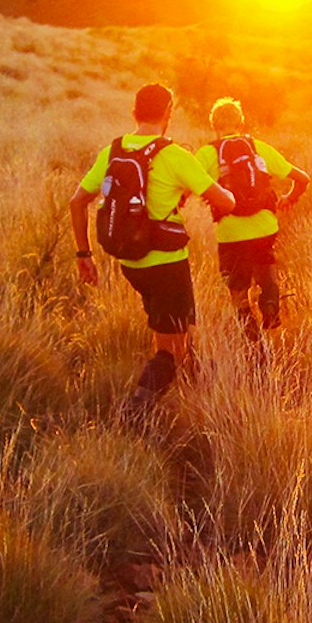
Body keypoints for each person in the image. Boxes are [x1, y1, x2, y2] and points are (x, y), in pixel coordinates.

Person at [70, 82, 234, 420]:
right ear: (168, 114)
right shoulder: (174, 155)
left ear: (134, 112)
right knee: (170, 353)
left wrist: (83, 255)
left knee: (171, 330)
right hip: (167, 266)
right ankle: (134, 414)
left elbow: (77, 202)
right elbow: (225, 201)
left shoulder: (113, 150)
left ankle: (188, 389)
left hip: (131, 264)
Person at [195, 97, 309, 353]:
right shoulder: (258, 147)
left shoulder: (207, 153)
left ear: (213, 125)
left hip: (231, 232)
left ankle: (254, 342)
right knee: (264, 262)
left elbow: (186, 186)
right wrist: (289, 198)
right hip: (265, 226)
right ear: (241, 122)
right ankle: (269, 304)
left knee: (238, 291)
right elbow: (303, 178)